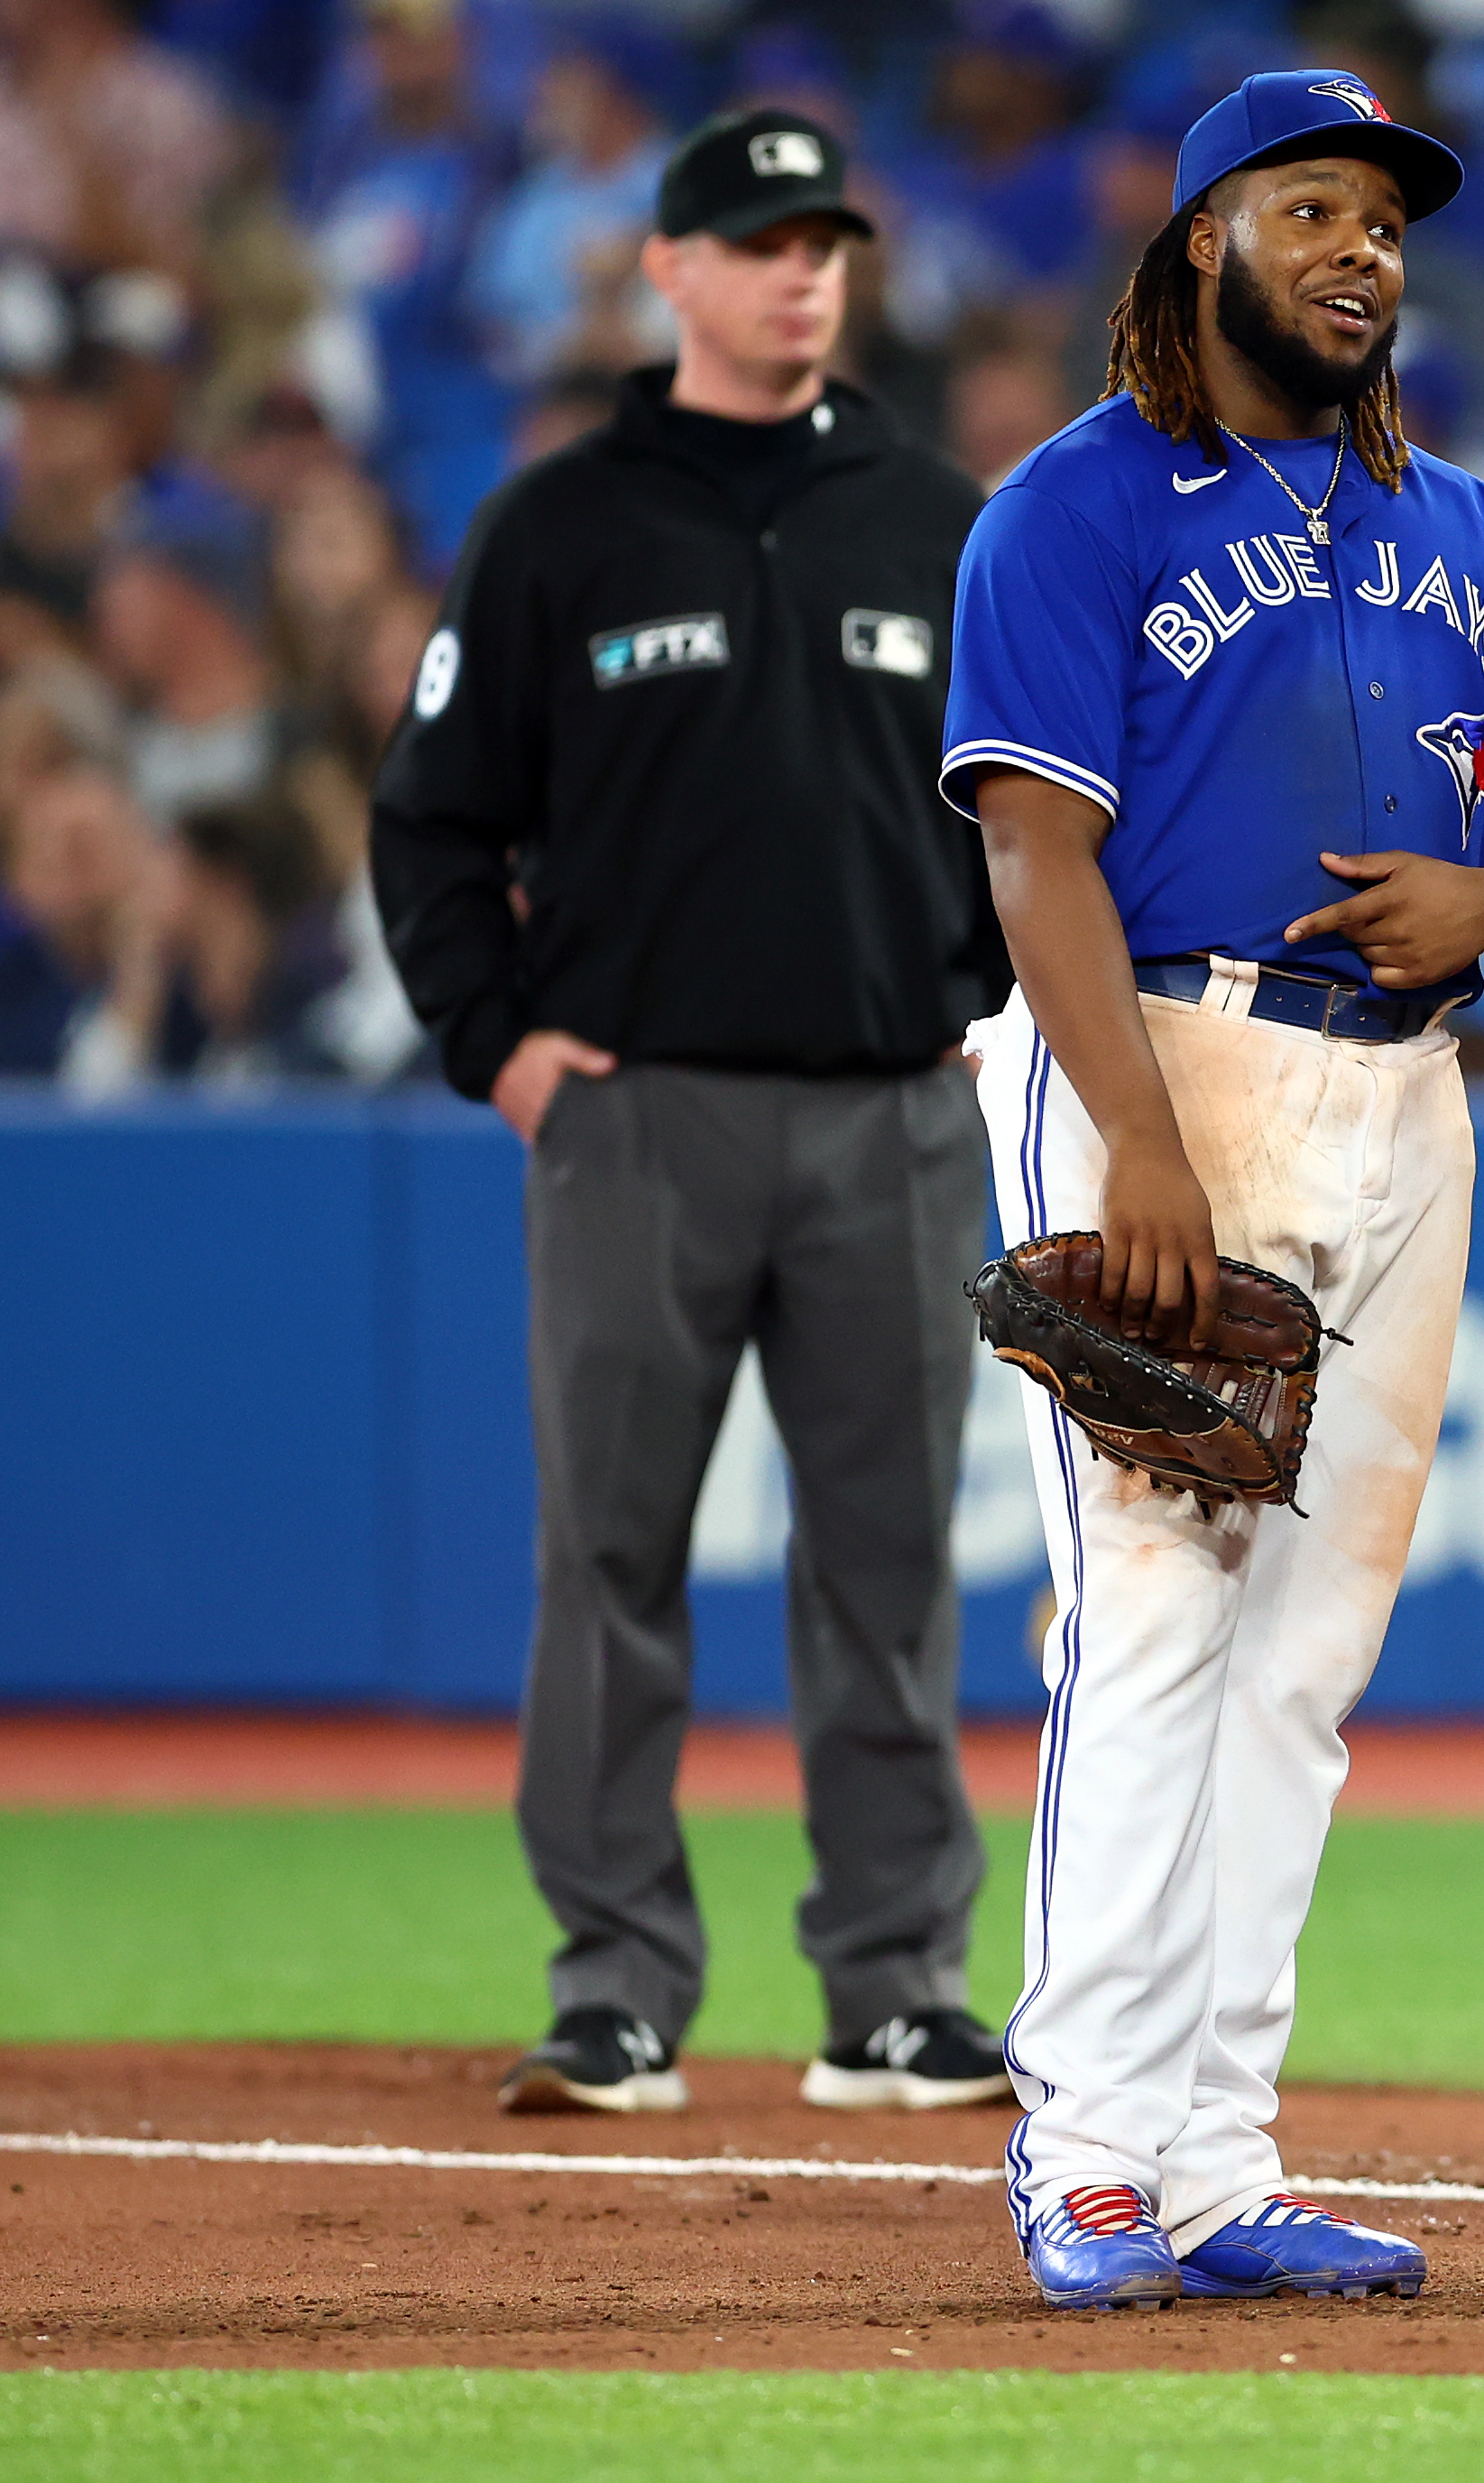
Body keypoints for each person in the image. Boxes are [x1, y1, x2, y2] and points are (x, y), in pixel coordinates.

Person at [942, 69, 1484, 2312]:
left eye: (1389, 221)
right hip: (1167, 1058)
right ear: (1204, 238)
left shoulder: (1471, 530)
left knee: (1305, 1658)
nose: (1364, 250)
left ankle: (1219, 2156)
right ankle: (1088, 2148)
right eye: (1314, 206)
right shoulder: (1076, 505)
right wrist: (1128, 1129)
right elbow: (1031, 844)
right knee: (1151, 1612)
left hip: (1402, 1101)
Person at [370, 107, 1013, 2124]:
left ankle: (895, 1989)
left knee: (890, 1565)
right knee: (612, 1557)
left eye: (823, 238)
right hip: (636, 1118)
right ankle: (617, 1985)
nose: (797, 270)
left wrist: (987, 1020)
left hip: (895, 1117)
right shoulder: (561, 525)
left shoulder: (939, 515)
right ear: (666, 269)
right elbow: (434, 820)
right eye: (755, 240)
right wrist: (502, 1048)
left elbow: (1046, 820)